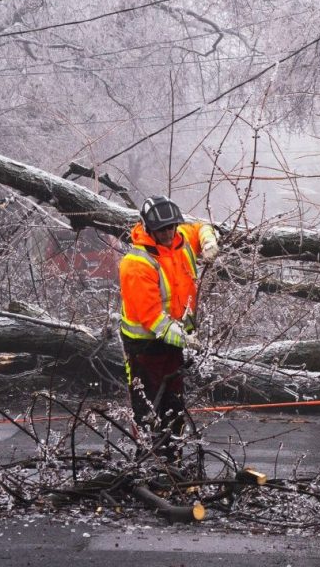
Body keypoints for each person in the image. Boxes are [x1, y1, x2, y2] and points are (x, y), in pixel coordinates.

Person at [119, 195, 218, 460]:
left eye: (171, 227)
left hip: (174, 341)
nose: (168, 233)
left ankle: (172, 455)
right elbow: (152, 319)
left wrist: (208, 239)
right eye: (162, 229)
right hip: (144, 345)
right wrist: (187, 340)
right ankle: (147, 460)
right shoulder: (136, 264)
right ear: (149, 228)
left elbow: (199, 228)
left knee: (173, 404)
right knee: (147, 405)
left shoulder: (180, 240)